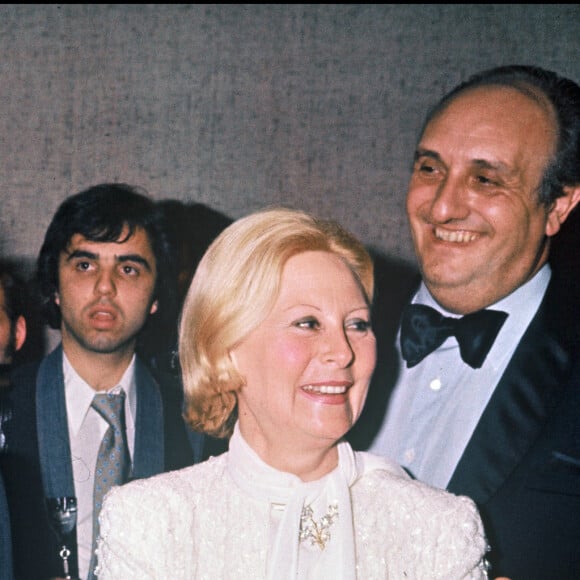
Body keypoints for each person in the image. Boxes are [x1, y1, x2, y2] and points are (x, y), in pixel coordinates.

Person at [96, 207, 489, 579]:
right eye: (307, 323)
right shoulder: (151, 522)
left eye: (357, 324)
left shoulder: (440, 528)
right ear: (226, 351)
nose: (343, 351)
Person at [360, 65, 580, 579]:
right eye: (430, 169)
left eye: (486, 180)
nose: (442, 207)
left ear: (559, 206)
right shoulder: (326, 331)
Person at [2, 183, 205, 579]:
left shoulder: (193, 422)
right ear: (55, 287)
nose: (105, 286)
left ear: (155, 297)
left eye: (128, 269)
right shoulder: (9, 406)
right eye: (85, 265)